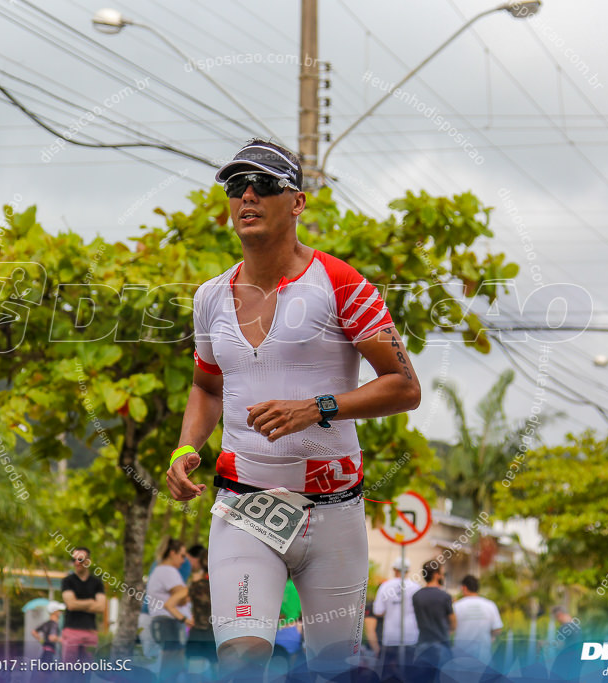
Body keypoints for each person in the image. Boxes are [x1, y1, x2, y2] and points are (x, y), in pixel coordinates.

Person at [166, 138, 421, 679]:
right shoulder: (210, 297)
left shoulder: (341, 283)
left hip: (333, 509)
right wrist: (189, 446)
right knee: (241, 656)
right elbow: (207, 389)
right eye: (237, 186)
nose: (248, 195)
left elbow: (404, 385)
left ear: (298, 202)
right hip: (245, 506)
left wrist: (318, 408)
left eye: (265, 185)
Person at [146, 538, 193, 677]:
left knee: (171, 667)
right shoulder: (167, 571)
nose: (184, 560)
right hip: (168, 623)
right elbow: (182, 596)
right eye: (182, 555)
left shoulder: (161, 570)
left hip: (165, 623)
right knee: (171, 667)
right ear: (172, 553)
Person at [372, 557, 421, 678]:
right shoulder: (416, 587)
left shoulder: (385, 587)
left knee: (388, 676)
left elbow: (378, 611)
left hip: (390, 637)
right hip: (411, 636)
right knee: (409, 675)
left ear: (394, 569)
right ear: (408, 570)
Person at [60, 546, 106, 662]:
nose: (76, 563)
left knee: (86, 674)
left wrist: (78, 603)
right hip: (71, 632)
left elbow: (101, 607)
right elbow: (71, 605)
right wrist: (91, 602)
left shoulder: (97, 583)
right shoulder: (68, 581)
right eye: (73, 559)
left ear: (88, 561)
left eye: (80, 559)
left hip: (90, 633)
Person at [412, 560, 455, 667]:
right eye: (442, 573)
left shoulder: (416, 596)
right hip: (442, 645)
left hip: (422, 644)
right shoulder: (445, 596)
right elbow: (453, 622)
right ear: (436, 575)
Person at [452, 575, 502, 663]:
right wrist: (491, 636)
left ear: (464, 588)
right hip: (484, 658)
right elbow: (498, 630)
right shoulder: (490, 605)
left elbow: (450, 629)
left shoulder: (456, 606)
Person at [185, 547, 217, 674]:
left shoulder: (196, 585)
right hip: (213, 634)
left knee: (194, 675)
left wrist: (185, 619)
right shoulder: (221, 585)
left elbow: (175, 602)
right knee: (218, 674)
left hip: (197, 633)